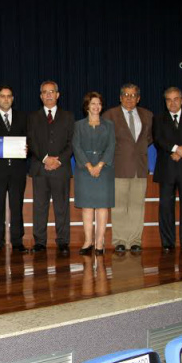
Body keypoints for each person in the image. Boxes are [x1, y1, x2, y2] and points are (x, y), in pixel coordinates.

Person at [103, 83, 153, 254]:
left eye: (133, 95)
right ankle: (120, 240)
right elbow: (105, 140)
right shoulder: (110, 115)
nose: (129, 98)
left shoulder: (147, 115)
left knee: (137, 206)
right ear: (120, 97)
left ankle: (134, 240)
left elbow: (149, 139)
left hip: (140, 167)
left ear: (138, 98)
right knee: (118, 206)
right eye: (125, 94)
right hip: (119, 166)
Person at [27, 80, 75, 255]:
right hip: (40, 168)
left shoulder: (68, 116)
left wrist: (58, 160)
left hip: (61, 169)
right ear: (40, 96)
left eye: (51, 91)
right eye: (45, 92)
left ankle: (63, 242)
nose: (48, 95)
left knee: (62, 207)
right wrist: (46, 159)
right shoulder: (33, 117)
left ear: (58, 95)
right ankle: (40, 241)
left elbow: (72, 143)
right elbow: (31, 141)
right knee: (40, 206)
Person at [152, 87, 182, 252]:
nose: (172, 102)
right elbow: (158, 139)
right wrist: (175, 148)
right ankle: (167, 242)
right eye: (168, 99)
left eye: (175, 99)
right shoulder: (158, 118)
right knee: (166, 207)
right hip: (166, 169)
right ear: (165, 102)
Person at [0, 85, 29, 254]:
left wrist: (27, 148)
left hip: (17, 169)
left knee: (17, 206)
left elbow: (29, 139)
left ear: (13, 98)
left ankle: (17, 242)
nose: (6, 99)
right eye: (2, 96)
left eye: (9, 96)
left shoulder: (22, 117)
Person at [73, 92, 115, 255]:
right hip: (85, 169)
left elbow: (112, 146)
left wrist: (100, 165)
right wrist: (90, 166)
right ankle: (88, 241)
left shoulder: (109, 125)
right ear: (87, 107)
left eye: (99, 104)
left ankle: (99, 243)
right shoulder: (78, 125)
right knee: (87, 207)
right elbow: (76, 147)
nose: (96, 107)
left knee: (103, 207)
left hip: (104, 169)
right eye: (93, 104)